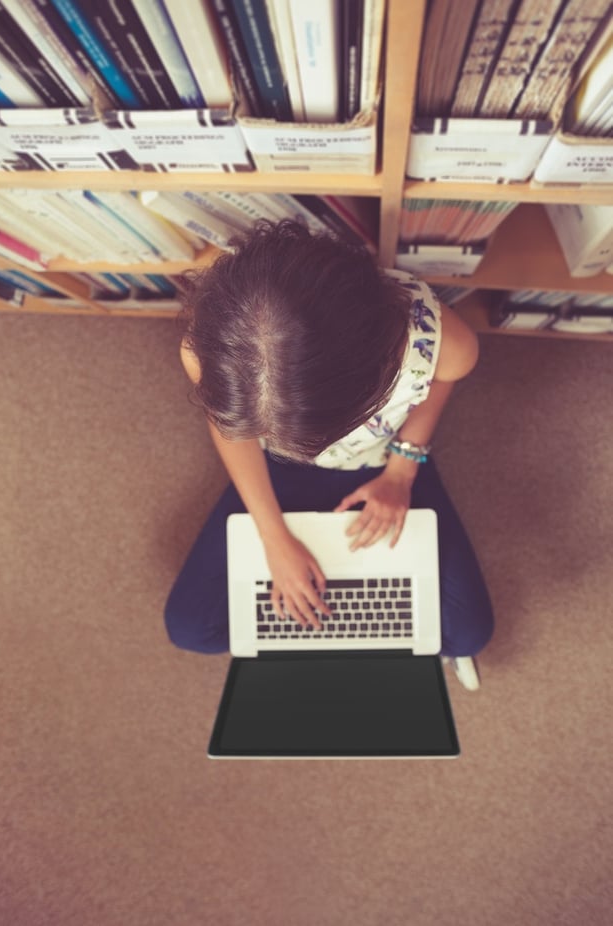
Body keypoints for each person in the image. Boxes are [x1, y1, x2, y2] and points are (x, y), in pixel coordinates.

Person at [164, 220, 494, 690]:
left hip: (383, 459)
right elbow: (230, 431)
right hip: (273, 472)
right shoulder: (206, 350)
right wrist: (273, 536)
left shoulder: (441, 341)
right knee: (191, 629)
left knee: (469, 634)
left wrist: (401, 471)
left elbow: (444, 378)